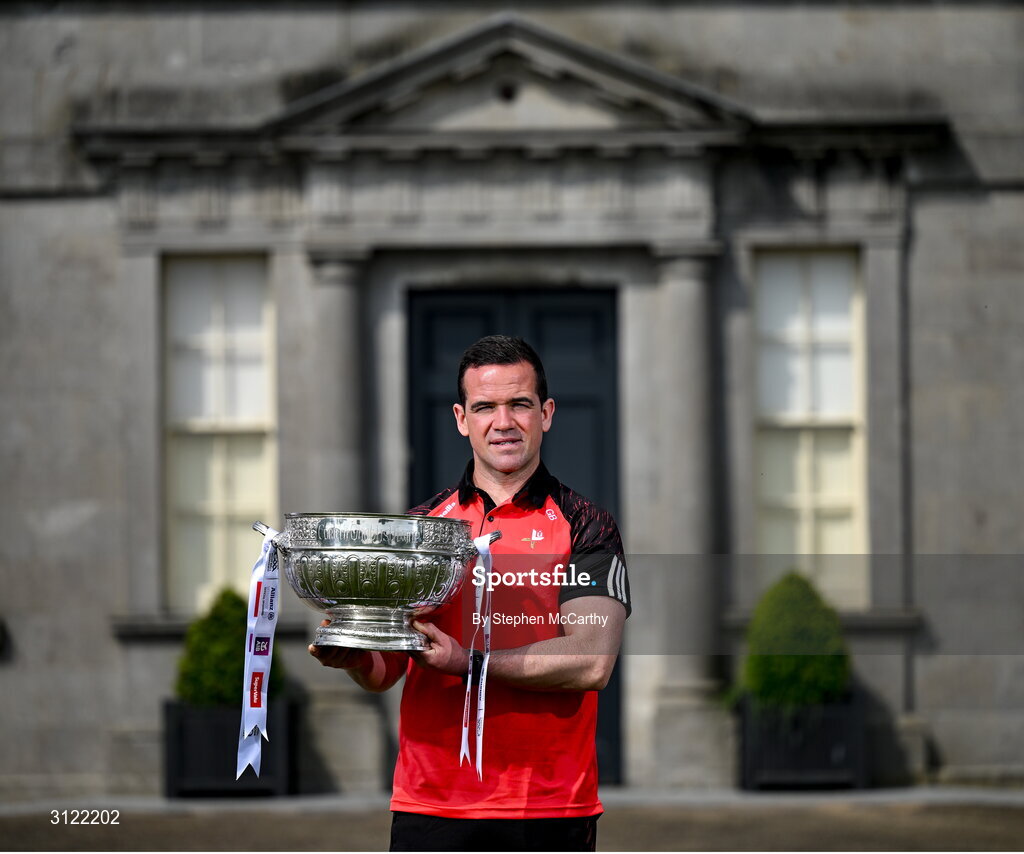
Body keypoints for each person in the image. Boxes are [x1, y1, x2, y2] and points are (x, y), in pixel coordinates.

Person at [310, 335, 630, 852]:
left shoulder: (587, 524)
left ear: (546, 413)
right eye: (485, 407)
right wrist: (352, 655)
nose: (503, 422)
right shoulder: (418, 529)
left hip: (548, 806)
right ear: (462, 419)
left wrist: (468, 661)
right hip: (430, 803)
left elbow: (590, 660)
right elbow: (385, 672)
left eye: (519, 404)